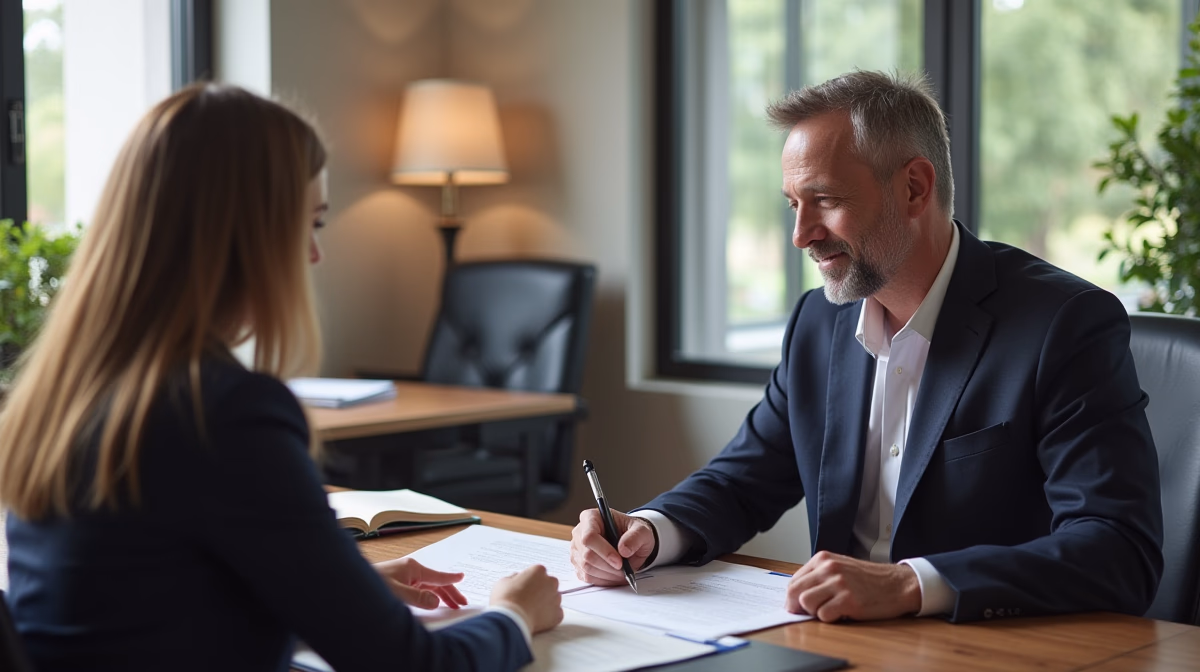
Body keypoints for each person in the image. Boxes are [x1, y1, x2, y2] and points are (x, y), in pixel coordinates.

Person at [0, 83, 562, 671]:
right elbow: (411, 665)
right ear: (245, 234)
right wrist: (513, 614)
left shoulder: (66, 396)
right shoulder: (223, 411)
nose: (314, 255)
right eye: (311, 223)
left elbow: (142, 616)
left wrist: (332, 595)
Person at [570, 70, 1164, 623]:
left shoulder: (1062, 324)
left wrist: (911, 583)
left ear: (913, 187)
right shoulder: (817, 323)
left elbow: (1118, 547)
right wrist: (649, 530)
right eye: (793, 205)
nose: (801, 234)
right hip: (837, 643)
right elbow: (743, 480)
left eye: (825, 199)